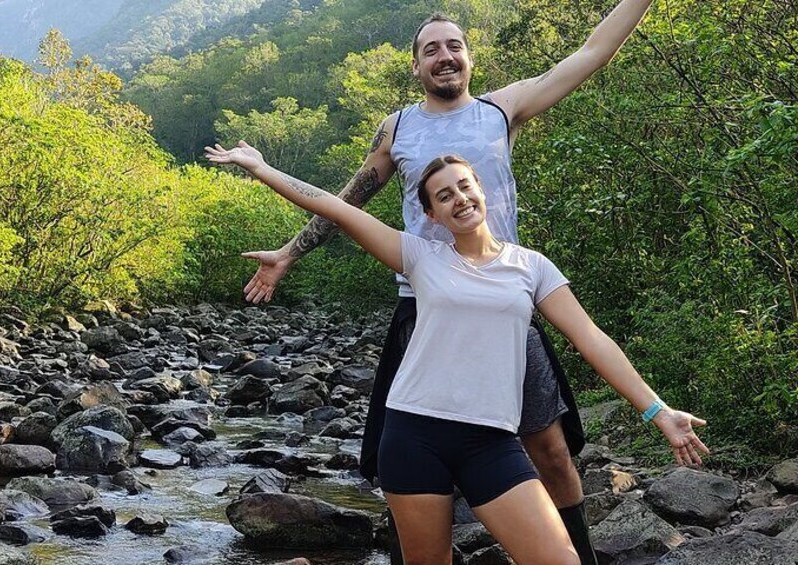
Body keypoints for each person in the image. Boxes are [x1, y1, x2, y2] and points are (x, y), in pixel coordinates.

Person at [239, 2, 655, 562]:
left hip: (506, 298)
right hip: (425, 305)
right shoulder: (399, 127)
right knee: (412, 447)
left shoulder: (501, 109)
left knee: (550, 448)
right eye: (430, 49)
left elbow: (591, 52)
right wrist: (290, 252)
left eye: (453, 45)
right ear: (416, 66)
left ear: (469, 56)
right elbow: (350, 201)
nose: (444, 56)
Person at [205, 143, 710, 564]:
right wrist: (260, 167)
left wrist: (657, 411)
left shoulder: (530, 267)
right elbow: (335, 208)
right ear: (432, 214)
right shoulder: (421, 256)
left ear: (481, 190)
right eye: (443, 195)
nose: (459, 198)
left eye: (465, 186)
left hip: (491, 441)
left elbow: (592, 338)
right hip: (413, 433)